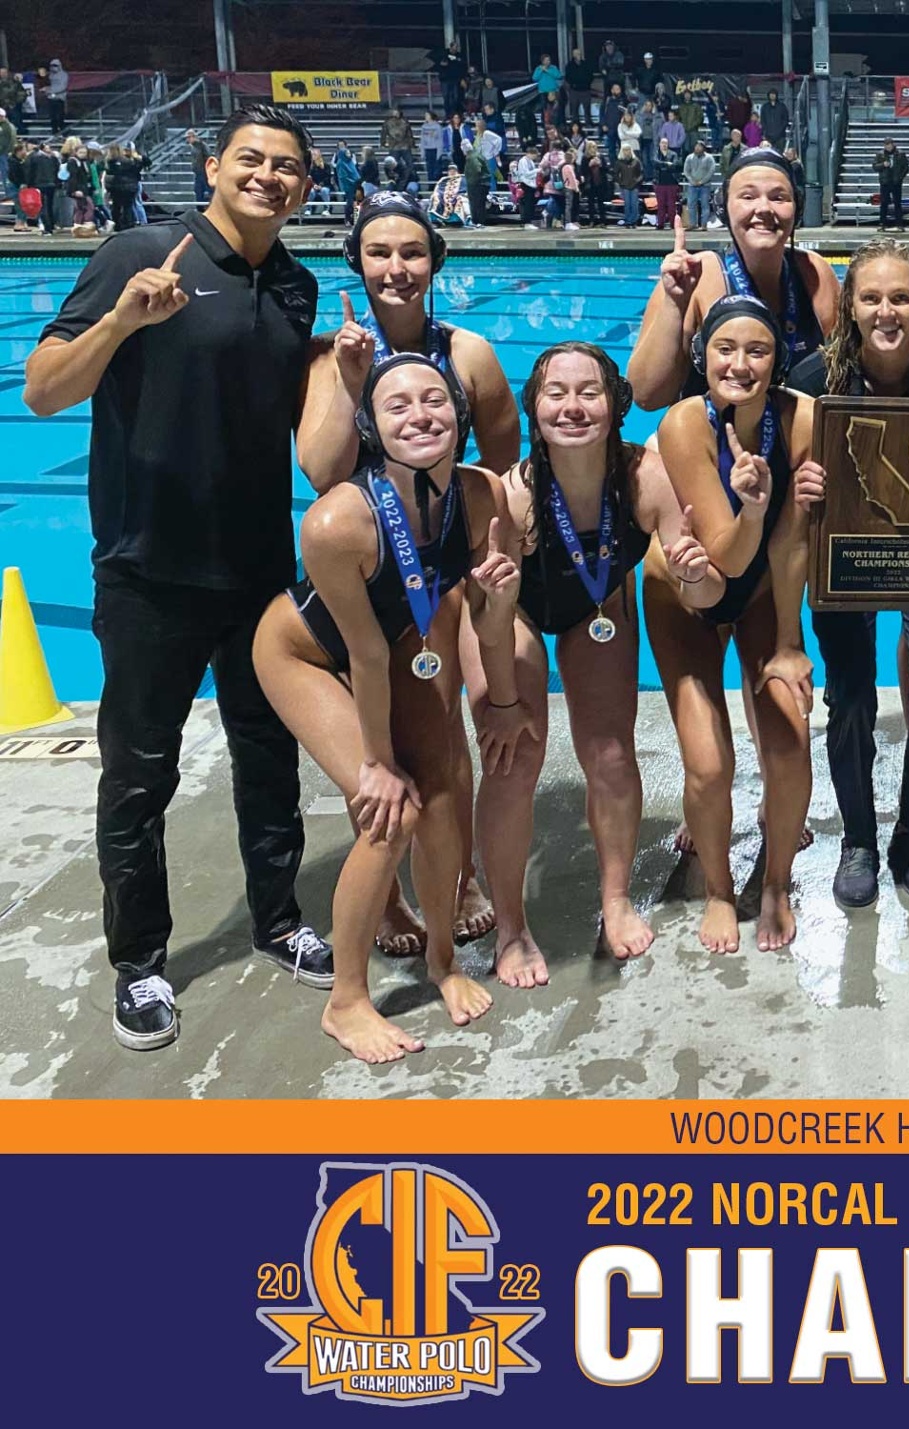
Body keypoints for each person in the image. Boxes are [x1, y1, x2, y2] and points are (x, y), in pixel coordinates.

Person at [23, 105, 332, 1051]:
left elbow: (300, 428)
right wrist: (122, 321)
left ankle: (279, 919)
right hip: (148, 570)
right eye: (251, 159)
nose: (267, 176)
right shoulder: (139, 254)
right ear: (212, 166)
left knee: (268, 759)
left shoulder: (298, 286)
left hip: (257, 571)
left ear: (305, 186)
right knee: (138, 777)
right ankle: (141, 962)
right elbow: (43, 388)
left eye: (286, 166)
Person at [254, 355, 522, 1063]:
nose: (420, 416)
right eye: (398, 406)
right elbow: (364, 655)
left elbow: (484, 621)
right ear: (371, 426)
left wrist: (500, 613)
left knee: (442, 799)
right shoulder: (337, 521)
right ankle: (346, 1002)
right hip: (307, 653)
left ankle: (442, 963)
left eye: (434, 400)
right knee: (390, 811)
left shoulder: (482, 494)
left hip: (404, 639)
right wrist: (375, 763)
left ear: (459, 413)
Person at [298, 192, 519, 949]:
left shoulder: (469, 355)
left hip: (439, 575)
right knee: (376, 737)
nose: (396, 267)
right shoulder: (330, 357)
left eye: (412, 252)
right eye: (379, 253)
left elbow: (499, 466)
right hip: (364, 574)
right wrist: (350, 381)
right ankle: (389, 894)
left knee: (443, 733)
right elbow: (321, 473)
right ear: (356, 262)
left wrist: (487, 560)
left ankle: (458, 879)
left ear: (436, 261)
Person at [480, 341, 722, 981]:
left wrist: (695, 575)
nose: (573, 406)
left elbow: (702, 593)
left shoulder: (645, 477)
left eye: (589, 392)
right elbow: (484, 619)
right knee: (514, 757)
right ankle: (510, 927)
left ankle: (615, 900)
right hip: (510, 615)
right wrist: (502, 701)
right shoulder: (513, 498)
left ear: (615, 405)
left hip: (597, 604)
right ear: (533, 408)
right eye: (555, 393)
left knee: (611, 754)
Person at [786, 242, 909, 905]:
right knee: (849, 695)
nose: (886, 312)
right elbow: (787, 494)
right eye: (871, 298)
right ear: (849, 306)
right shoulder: (814, 379)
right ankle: (859, 839)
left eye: (900, 297)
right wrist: (802, 488)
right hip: (845, 563)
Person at [639, 296, 817, 954]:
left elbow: (792, 542)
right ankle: (718, 889)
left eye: (758, 351)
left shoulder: (803, 418)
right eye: (725, 349)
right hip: (684, 593)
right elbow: (724, 555)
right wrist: (753, 506)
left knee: (791, 743)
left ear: (777, 361)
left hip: (761, 589)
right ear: (703, 356)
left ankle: (775, 883)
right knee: (710, 767)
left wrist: (789, 643)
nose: (740, 364)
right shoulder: (684, 423)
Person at [628, 147, 838, 408]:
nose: (764, 208)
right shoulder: (694, 276)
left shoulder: (815, 274)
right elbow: (647, 397)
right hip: (711, 434)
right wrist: (674, 305)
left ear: (797, 208)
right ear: (724, 208)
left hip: (797, 433)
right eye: (748, 196)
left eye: (779, 197)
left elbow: (847, 371)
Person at [103, 144, 146, 231]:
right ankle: (128, 224)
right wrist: (138, 158)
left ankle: (117, 225)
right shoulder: (126, 161)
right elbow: (137, 168)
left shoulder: (107, 162)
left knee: (116, 206)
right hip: (128, 187)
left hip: (114, 187)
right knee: (128, 207)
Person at [874, 136, 909, 229]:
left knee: (897, 203)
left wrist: (900, 177)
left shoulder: (900, 154)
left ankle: (899, 224)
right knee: (884, 203)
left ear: (893, 144)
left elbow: (906, 167)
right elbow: (875, 166)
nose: (888, 147)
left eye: (889, 144)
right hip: (885, 182)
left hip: (896, 182)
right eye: (886, 145)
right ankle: (882, 223)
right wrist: (883, 165)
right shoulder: (880, 154)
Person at [682, 138, 717, 230]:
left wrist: (703, 181)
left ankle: (704, 224)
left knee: (705, 205)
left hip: (705, 185)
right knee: (691, 205)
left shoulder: (709, 158)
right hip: (692, 185)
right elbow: (686, 171)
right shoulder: (689, 158)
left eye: (700, 146)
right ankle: (692, 224)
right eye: (696, 146)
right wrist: (692, 181)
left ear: (703, 148)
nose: (697, 148)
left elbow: (711, 171)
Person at [654, 141, 683, 228]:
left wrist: (662, 166)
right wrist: (666, 164)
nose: (664, 145)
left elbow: (675, 165)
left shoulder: (673, 154)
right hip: (659, 183)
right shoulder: (656, 154)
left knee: (671, 205)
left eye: (665, 143)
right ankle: (660, 224)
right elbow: (655, 163)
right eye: (662, 143)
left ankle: (673, 224)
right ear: (659, 144)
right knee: (660, 205)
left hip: (671, 183)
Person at [564, 46, 595, 128]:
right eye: (577, 54)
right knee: (574, 109)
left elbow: (591, 75)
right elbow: (567, 77)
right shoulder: (570, 65)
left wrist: (587, 83)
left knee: (587, 108)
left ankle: (588, 123)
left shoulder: (586, 64)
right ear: (573, 55)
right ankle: (575, 124)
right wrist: (573, 84)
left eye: (580, 53)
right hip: (574, 90)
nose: (579, 55)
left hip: (585, 90)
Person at [534, 53, 563, 129]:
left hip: (553, 92)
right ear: (542, 61)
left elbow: (558, 76)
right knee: (544, 109)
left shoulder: (553, 68)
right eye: (546, 60)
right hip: (543, 92)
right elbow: (535, 78)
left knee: (555, 109)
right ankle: (544, 124)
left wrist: (547, 70)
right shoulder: (538, 68)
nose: (548, 62)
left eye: (549, 60)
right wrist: (541, 70)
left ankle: (555, 124)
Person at [617, 144, 644, 226]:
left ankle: (634, 220)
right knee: (627, 204)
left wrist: (637, 181)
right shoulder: (619, 161)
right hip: (624, 186)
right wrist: (620, 182)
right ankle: (628, 220)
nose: (627, 151)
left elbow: (641, 173)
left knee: (634, 204)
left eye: (628, 149)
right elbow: (615, 173)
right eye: (625, 150)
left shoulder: (636, 161)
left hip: (634, 185)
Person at [419, 111, 445, 183]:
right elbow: (422, 140)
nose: (426, 117)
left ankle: (437, 184)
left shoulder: (437, 126)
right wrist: (422, 152)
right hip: (427, 149)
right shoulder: (424, 126)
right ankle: (430, 184)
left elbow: (440, 140)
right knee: (429, 169)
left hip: (435, 149)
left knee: (437, 169)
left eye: (427, 115)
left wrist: (439, 152)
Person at [45, 60, 68, 136]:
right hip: (51, 98)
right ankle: (54, 131)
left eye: (55, 66)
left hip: (60, 98)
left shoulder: (64, 75)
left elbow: (63, 87)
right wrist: (47, 90)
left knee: (60, 116)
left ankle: (63, 131)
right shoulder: (50, 75)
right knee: (52, 116)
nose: (53, 67)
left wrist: (51, 91)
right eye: (52, 66)